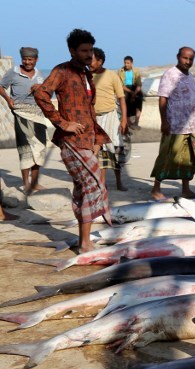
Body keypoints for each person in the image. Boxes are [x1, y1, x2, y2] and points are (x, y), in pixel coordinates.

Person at [34, 29, 111, 253]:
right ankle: (85, 242)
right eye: (84, 51)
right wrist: (61, 122)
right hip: (72, 140)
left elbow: (90, 110)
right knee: (92, 184)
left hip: (89, 139)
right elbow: (41, 94)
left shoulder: (86, 74)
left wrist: (98, 138)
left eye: (91, 51)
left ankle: (83, 240)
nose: (89, 55)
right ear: (72, 50)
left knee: (83, 188)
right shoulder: (62, 71)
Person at [149, 46, 195, 200]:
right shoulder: (170, 75)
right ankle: (156, 189)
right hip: (175, 125)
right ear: (178, 57)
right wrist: (164, 121)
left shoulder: (190, 76)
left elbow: (193, 100)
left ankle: (186, 190)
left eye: (190, 59)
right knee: (167, 157)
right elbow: (163, 98)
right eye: (185, 58)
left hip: (191, 126)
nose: (187, 61)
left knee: (189, 159)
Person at [0, 47, 52, 195]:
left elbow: (48, 92)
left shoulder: (40, 75)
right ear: (22, 59)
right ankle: (26, 184)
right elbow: (1, 86)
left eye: (30, 59)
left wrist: (40, 88)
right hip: (21, 113)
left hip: (38, 115)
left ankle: (35, 183)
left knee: (39, 149)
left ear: (36, 60)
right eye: (25, 59)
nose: (27, 62)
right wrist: (8, 99)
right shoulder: (13, 72)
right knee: (25, 149)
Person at [91, 47, 129, 191]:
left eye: (92, 60)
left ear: (100, 61)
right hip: (94, 118)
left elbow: (121, 98)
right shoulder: (86, 76)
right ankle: (102, 183)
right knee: (100, 151)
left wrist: (124, 120)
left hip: (111, 117)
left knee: (116, 148)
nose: (89, 63)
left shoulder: (112, 75)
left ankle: (119, 182)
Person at [118, 56, 143, 128]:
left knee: (139, 101)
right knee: (125, 102)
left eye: (128, 63)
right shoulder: (121, 71)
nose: (126, 64)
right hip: (126, 89)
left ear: (132, 63)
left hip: (134, 88)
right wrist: (131, 93)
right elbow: (121, 85)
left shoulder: (136, 71)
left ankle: (136, 122)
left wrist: (134, 94)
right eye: (125, 63)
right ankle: (128, 122)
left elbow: (139, 84)